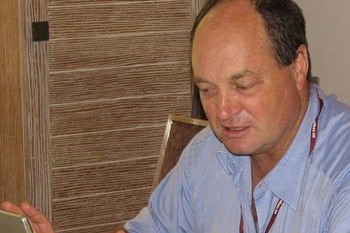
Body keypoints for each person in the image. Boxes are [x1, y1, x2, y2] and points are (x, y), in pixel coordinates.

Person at [3, 0, 350, 232]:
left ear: (298, 66)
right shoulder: (207, 151)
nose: (223, 113)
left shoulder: (341, 179)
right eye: (207, 90)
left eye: (243, 86)